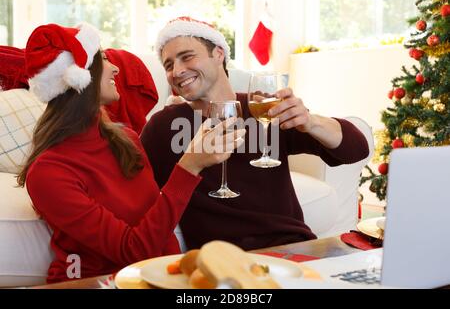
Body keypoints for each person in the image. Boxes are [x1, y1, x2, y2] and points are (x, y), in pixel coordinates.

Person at [16, 22, 244, 283]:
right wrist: (189, 167)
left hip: (160, 277)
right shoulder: (48, 172)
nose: (115, 67)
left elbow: (158, 226)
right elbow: (134, 250)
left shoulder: (127, 139)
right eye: (102, 58)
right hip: (96, 283)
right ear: (79, 76)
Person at [140, 17, 370, 251]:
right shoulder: (164, 126)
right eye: (168, 65)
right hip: (224, 261)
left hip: (290, 248)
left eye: (187, 57)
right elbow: (134, 196)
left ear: (218, 54)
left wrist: (310, 121)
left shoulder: (263, 106)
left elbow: (356, 149)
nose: (177, 71)